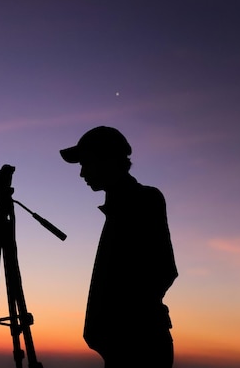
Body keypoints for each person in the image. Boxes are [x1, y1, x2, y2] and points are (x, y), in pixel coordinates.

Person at [60, 126, 178, 368]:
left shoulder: (144, 200)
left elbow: (164, 270)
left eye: (86, 163)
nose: (82, 173)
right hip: (123, 348)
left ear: (107, 160)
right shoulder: (118, 208)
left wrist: (123, 325)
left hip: (138, 349)